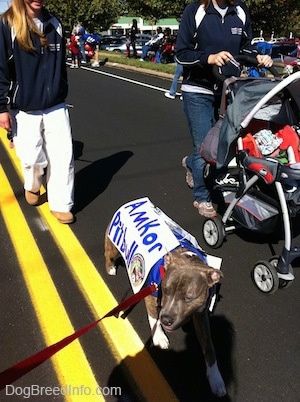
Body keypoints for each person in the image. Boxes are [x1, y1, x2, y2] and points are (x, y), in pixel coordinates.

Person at [175, 0, 273, 218]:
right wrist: (209, 58)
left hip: (228, 88)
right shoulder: (196, 11)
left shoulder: (239, 10)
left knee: (224, 144)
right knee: (203, 146)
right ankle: (202, 197)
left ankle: (191, 164)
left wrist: (257, 57)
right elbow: (181, 53)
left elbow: (245, 47)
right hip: (198, 89)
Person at [0, 0, 75, 224]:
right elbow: (1, 68)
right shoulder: (7, 25)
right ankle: (32, 185)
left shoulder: (55, 24)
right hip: (24, 107)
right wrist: (2, 107)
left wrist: (60, 87)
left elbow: (61, 64)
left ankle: (62, 203)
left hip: (56, 104)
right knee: (32, 158)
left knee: (63, 157)